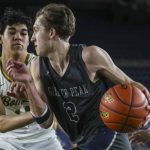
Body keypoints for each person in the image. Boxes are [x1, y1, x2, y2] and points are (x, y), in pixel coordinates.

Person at [6, 3, 150, 150]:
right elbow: (46, 122)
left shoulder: (90, 56)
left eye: (36, 30)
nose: (32, 38)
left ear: (51, 32)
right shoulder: (37, 67)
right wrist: (29, 85)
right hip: (84, 142)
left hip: (110, 137)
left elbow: (130, 84)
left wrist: (144, 104)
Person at [0, 8, 63, 150]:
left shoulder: (43, 66)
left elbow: (57, 111)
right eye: (11, 32)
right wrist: (40, 113)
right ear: (0, 38)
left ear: (29, 39)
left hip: (45, 139)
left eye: (23, 33)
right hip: (8, 141)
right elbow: (1, 124)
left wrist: (30, 93)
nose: (18, 37)